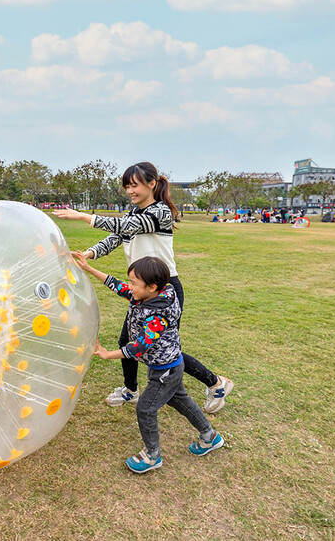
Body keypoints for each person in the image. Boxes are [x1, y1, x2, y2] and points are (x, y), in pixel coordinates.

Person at [53, 161, 233, 414]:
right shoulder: (133, 214)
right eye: (127, 186)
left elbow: (125, 227)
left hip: (164, 289)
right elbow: (116, 237)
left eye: (134, 185)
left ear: (152, 183)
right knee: (127, 340)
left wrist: (84, 216)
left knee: (165, 349)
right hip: (142, 290)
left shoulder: (159, 212)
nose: (130, 191)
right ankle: (131, 390)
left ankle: (216, 383)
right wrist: (90, 254)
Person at [77, 255, 224, 473]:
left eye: (134, 283)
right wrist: (89, 268)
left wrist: (108, 354)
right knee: (180, 401)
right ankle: (210, 436)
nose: (130, 287)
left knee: (145, 408)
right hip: (168, 366)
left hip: (167, 370)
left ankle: (152, 455)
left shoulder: (159, 314)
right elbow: (118, 286)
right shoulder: (147, 295)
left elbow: (139, 347)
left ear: (152, 286)